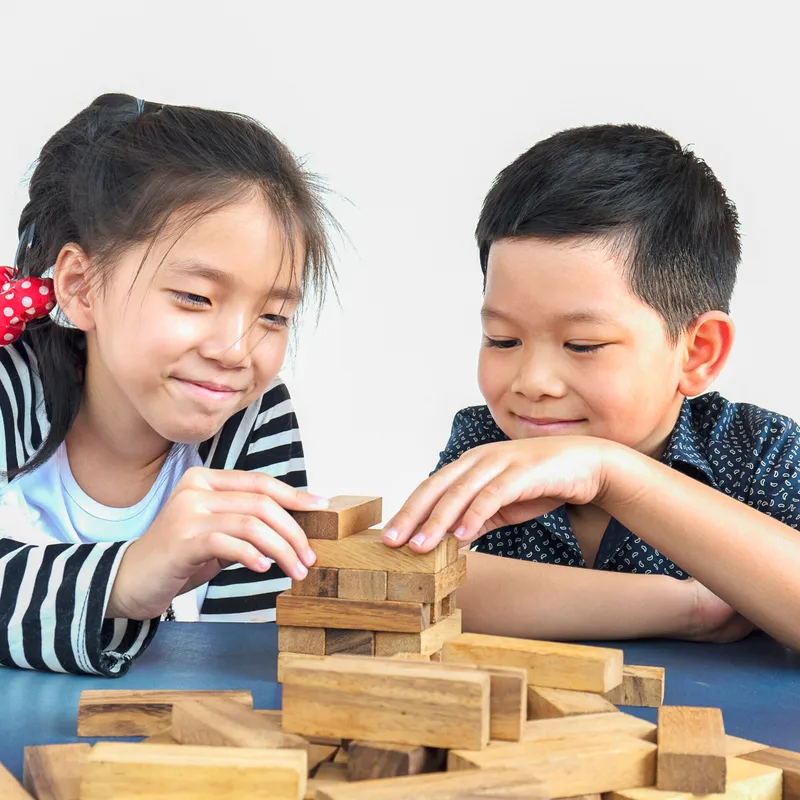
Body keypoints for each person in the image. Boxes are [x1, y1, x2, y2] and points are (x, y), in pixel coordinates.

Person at [383, 124, 800, 651]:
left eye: (582, 345)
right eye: (503, 339)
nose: (532, 382)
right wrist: (688, 607)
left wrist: (613, 474)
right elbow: (416, 582)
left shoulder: (756, 451)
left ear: (697, 352)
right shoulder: (486, 440)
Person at [0, 93, 336, 675]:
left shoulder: (254, 421)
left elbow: (247, 658)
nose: (235, 351)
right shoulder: (10, 382)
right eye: (195, 298)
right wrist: (125, 579)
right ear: (82, 288)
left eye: (273, 316)